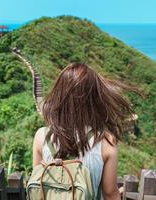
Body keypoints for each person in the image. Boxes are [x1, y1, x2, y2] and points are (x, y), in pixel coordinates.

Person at [32, 63, 139, 200]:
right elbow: (110, 193)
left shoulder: (42, 136)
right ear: (94, 100)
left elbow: (37, 185)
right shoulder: (105, 142)